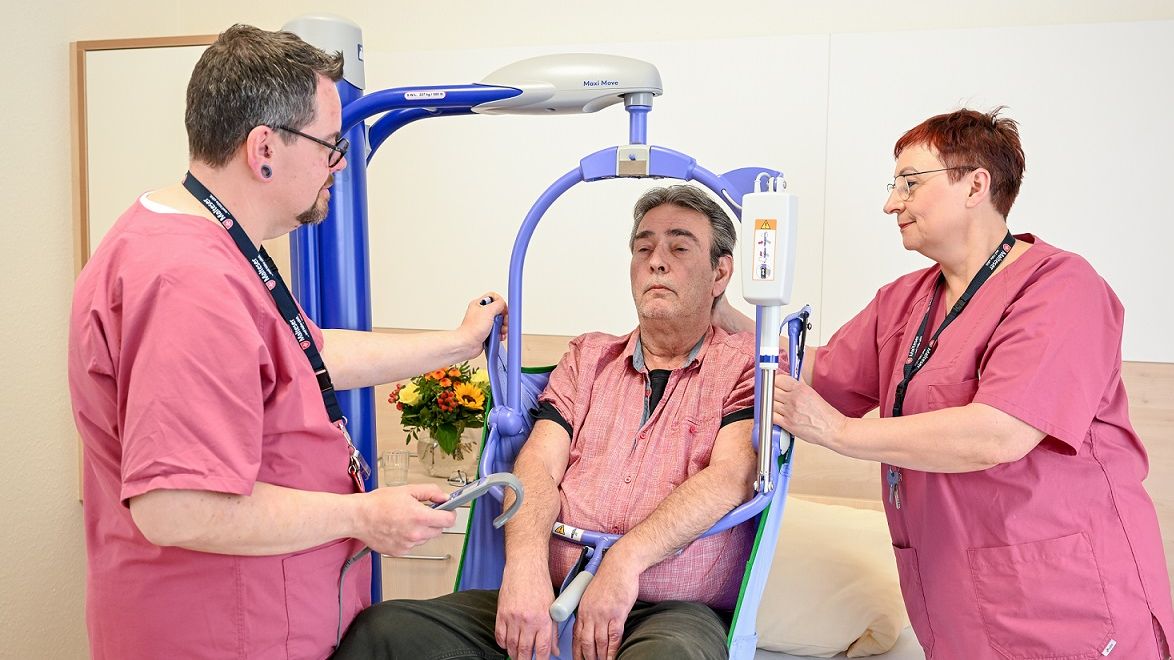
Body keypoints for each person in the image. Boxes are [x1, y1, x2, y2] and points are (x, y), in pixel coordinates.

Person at [67, 25, 505, 659]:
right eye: (329, 144)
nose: (341, 162)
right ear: (263, 148)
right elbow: (180, 508)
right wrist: (363, 516)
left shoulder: (208, 243)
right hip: (220, 634)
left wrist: (455, 344)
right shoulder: (188, 282)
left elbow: (301, 355)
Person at [719, 107, 1174, 659]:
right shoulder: (905, 301)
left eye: (909, 182)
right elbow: (814, 370)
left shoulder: (1063, 289)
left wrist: (839, 433)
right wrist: (718, 308)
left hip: (1064, 600)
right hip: (955, 601)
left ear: (975, 185)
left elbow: (998, 434)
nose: (891, 202)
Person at [334, 184, 760, 660]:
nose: (656, 261)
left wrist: (624, 561)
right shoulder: (589, 356)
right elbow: (536, 465)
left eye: (680, 247)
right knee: (385, 631)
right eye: (643, 248)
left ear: (720, 272)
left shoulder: (747, 363)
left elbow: (731, 477)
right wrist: (525, 568)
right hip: (553, 593)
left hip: (671, 612)